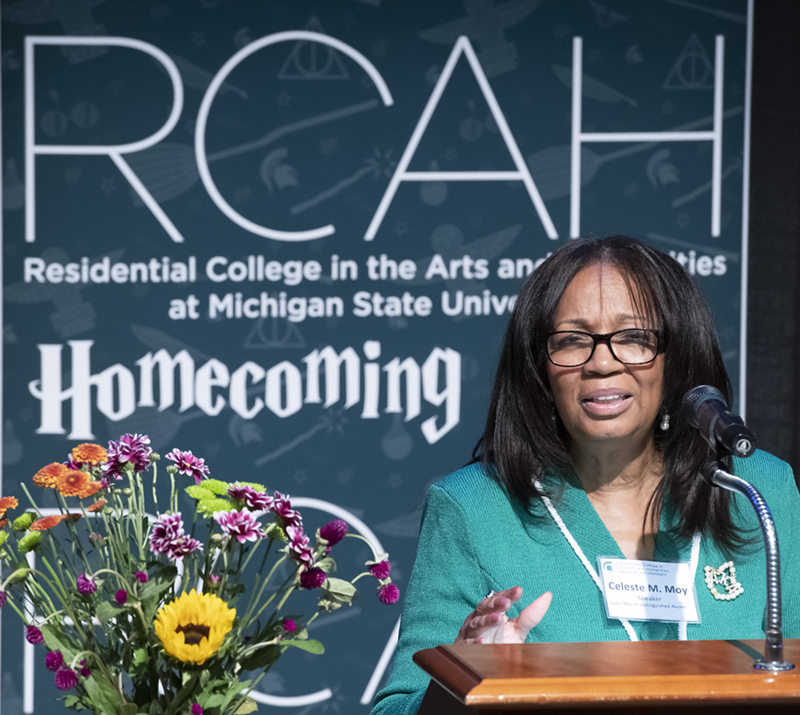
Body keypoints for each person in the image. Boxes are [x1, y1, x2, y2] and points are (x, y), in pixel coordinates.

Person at [370, 236, 800, 715]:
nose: (601, 362)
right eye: (572, 341)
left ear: (675, 359)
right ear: (539, 368)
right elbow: (394, 709)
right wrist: (463, 681)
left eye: (634, 337)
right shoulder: (472, 508)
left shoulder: (758, 491)